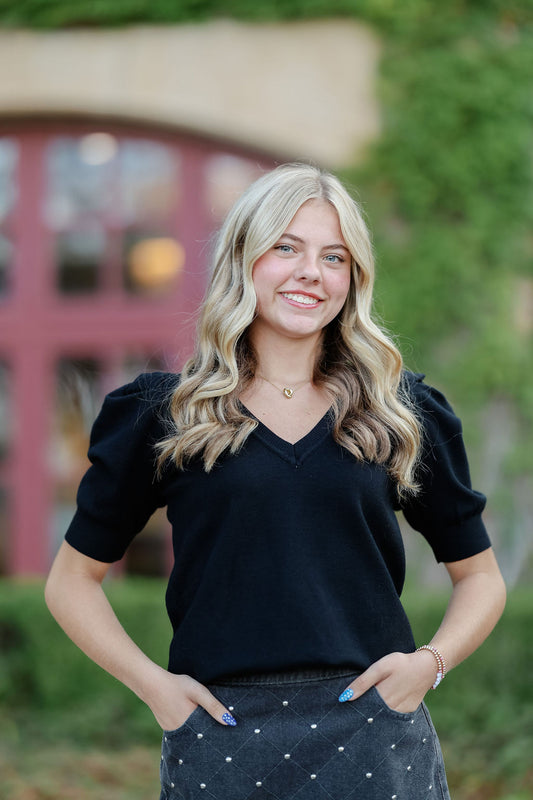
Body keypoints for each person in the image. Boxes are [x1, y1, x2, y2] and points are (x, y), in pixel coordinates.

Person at [45, 162, 506, 800]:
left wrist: (427, 666)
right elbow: (71, 581)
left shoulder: (401, 412)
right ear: (243, 259)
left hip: (375, 735)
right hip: (219, 736)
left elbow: (480, 576)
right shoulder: (167, 414)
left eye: (334, 256)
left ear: (354, 277)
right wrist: (156, 689)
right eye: (286, 247)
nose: (310, 272)